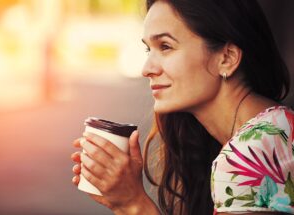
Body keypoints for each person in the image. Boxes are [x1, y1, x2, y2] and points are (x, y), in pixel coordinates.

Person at [71, 0, 293, 214]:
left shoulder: (249, 154)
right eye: (149, 50)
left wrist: (132, 204)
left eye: (165, 46)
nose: (146, 69)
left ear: (227, 58)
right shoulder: (277, 126)